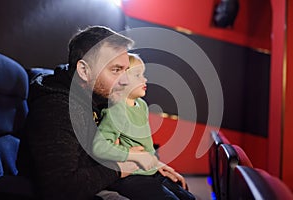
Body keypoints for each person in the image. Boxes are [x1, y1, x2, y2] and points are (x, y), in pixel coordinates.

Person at [17, 26, 191, 200]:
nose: (125, 81)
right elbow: (61, 188)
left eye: (126, 70)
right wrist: (121, 166)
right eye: (116, 70)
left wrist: (152, 163)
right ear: (84, 71)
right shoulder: (56, 110)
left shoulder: (98, 96)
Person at [92, 54, 195, 200]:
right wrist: (128, 153)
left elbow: (144, 146)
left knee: (187, 197)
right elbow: (99, 146)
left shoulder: (142, 105)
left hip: (148, 170)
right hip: (131, 176)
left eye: (143, 74)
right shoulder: (116, 110)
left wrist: (156, 163)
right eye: (137, 75)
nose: (145, 79)